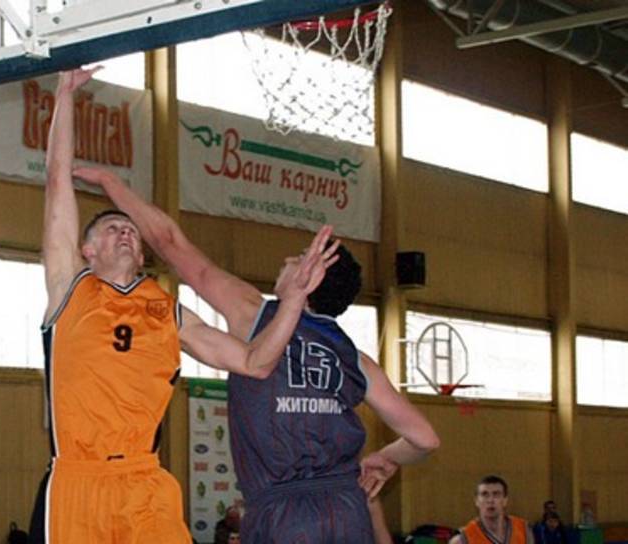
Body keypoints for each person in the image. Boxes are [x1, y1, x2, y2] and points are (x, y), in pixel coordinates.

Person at [28, 67, 338, 544]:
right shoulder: (69, 288)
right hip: (78, 481)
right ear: (86, 250)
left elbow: (255, 362)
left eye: (131, 229)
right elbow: (56, 183)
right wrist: (66, 94)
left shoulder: (168, 312)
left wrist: (292, 301)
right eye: (111, 228)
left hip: (145, 481)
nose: (125, 231)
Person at [74, 145, 440, 544]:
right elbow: (425, 438)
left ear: (308, 279)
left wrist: (111, 182)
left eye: (297, 258)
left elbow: (169, 242)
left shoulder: (255, 315)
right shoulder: (357, 359)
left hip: (284, 513)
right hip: (348, 510)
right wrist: (386, 458)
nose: (286, 261)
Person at [449, 475, 533, 544]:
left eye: (496, 494)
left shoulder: (523, 530)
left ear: (505, 500)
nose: (490, 500)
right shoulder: (463, 538)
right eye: (485, 494)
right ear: (476, 501)